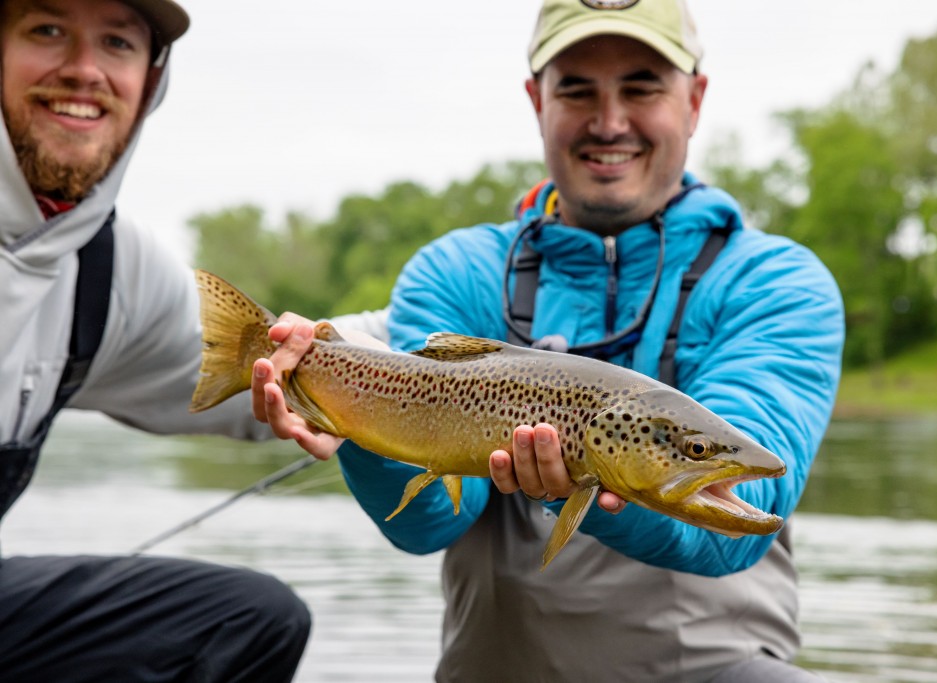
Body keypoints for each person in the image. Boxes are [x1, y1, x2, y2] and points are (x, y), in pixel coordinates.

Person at [256, 0, 844, 680]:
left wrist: (594, 485)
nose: (610, 120)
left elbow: (751, 514)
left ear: (695, 99)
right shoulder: (460, 272)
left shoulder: (776, 283)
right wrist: (351, 420)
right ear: (537, 100)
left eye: (642, 85)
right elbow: (428, 524)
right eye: (576, 89)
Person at [0, 0, 381, 679]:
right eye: (48, 30)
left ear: (151, 79)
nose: (84, 70)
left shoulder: (105, 267)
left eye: (116, 42)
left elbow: (274, 367)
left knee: (249, 616)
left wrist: (485, 330)